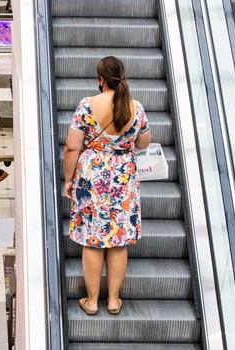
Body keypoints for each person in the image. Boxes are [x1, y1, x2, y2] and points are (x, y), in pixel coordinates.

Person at [64, 56, 151, 316]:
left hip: (92, 177)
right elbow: (144, 143)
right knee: (118, 241)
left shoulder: (87, 105)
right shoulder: (135, 107)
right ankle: (113, 300)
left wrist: (69, 179)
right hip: (123, 178)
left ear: (100, 79)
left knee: (92, 241)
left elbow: (72, 147)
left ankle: (91, 301)